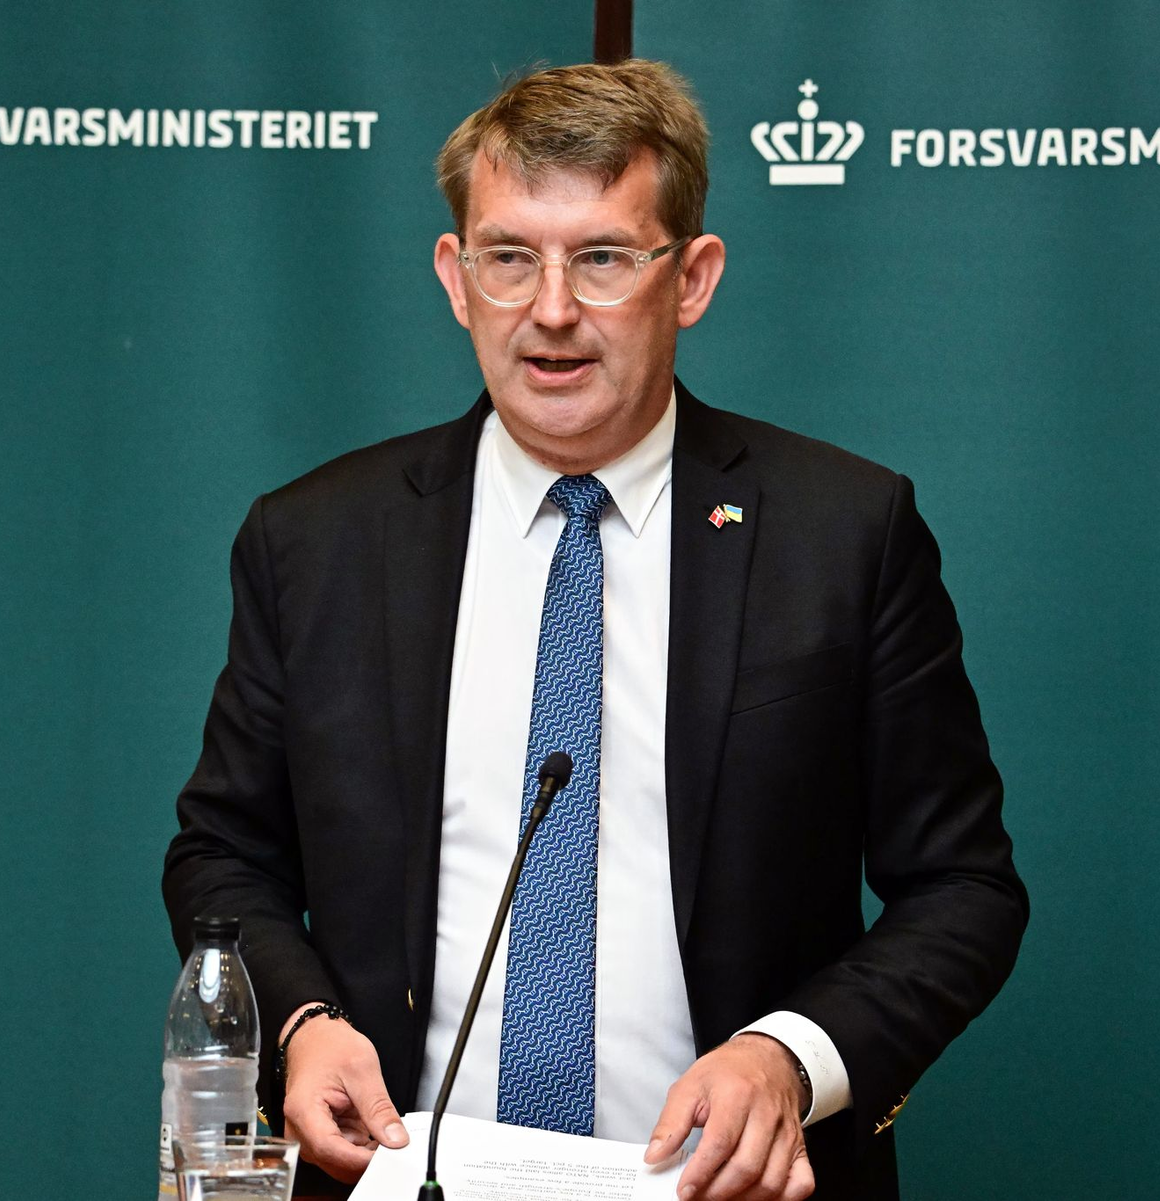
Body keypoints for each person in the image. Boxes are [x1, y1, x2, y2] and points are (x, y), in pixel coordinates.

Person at [164, 59, 1027, 1201]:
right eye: (510, 258)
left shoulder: (844, 533)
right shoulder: (316, 540)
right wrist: (303, 1023)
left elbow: (963, 887)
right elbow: (222, 853)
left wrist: (791, 1058)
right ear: (456, 277)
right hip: (400, 1177)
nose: (553, 309)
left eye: (605, 258)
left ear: (692, 278)